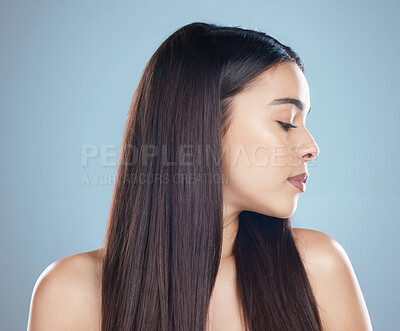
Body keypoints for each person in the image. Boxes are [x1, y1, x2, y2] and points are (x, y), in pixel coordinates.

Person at [27, 22, 373, 331]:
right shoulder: (71, 293)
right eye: (286, 122)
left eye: (304, 122)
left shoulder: (317, 268)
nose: (311, 147)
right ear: (202, 127)